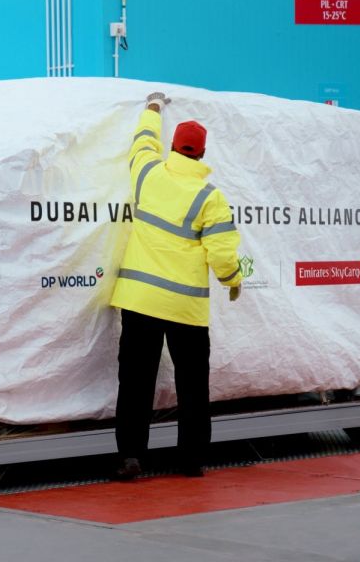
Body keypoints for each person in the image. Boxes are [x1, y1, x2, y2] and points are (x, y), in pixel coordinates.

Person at [109, 92, 242, 480]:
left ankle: (131, 456)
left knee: (135, 383)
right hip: (186, 307)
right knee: (192, 384)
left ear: (172, 147)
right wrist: (232, 280)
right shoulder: (209, 197)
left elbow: (141, 143)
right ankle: (192, 459)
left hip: (141, 300)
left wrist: (152, 108)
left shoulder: (148, 173)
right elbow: (221, 254)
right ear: (201, 155)